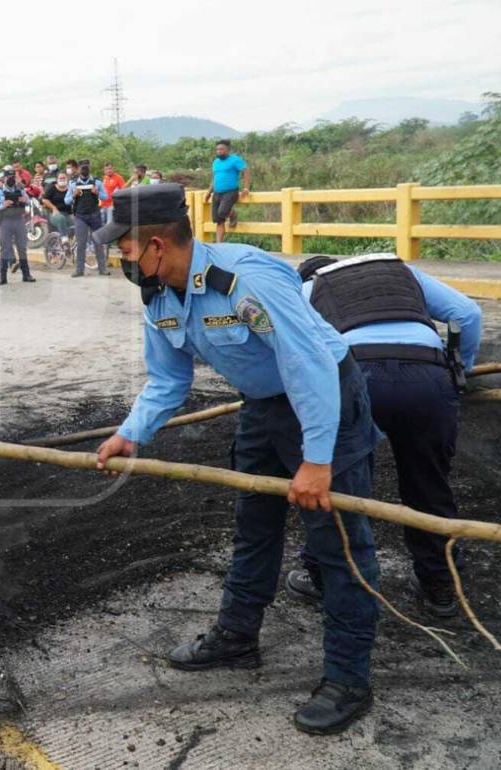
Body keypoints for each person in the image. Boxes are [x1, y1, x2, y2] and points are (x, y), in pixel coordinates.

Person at [93, 183, 381, 736]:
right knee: (254, 524)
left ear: (155, 244)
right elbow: (168, 378)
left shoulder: (246, 279)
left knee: (338, 542)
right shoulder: (158, 295)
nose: (120, 259)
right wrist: (132, 434)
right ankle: (238, 635)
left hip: (324, 401)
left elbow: (307, 364)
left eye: (124, 247)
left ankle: (348, 678)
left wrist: (317, 459)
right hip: (262, 406)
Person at [291, 254, 483, 618]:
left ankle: (323, 576)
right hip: (427, 377)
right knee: (429, 484)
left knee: (336, 483)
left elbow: (295, 344)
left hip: (357, 375)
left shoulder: (308, 287)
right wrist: (461, 371)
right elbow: (468, 314)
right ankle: (440, 586)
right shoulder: (402, 272)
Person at [0, 170, 35, 285]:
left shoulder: (20, 189)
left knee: (22, 248)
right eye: (8, 177)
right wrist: (2, 205)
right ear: (4, 178)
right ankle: (3, 277)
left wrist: (25, 200)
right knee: (5, 248)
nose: (11, 179)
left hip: (19, 220)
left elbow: (29, 201)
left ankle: (26, 275)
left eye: (13, 176)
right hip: (5, 222)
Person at [65, 159, 111, 277]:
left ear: (89, 168)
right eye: (82, 167)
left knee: (98, 242)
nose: (84, 169)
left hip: (95, 215)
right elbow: (66, 200)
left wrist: (97, 193)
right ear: (79, 169)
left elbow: (106, 197)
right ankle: (79, 270)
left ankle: (102, 269)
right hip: (80, 216)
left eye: (86, 167)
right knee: (81, 243)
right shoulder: (73, 183)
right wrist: (73, 195)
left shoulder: (97, 182)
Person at [206, 139, 249, 243]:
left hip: (230, 191)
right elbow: (215, 178)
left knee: (222, 212)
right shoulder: (216, 162)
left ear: (228, 150)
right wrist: (209, 191)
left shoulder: (235, 160)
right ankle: (219, 244)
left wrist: (246, 187)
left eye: (221, 149)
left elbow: (245, 172)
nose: (219, 151)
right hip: (217, 192)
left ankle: (232, 214)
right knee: (218, 220)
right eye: (217, 149)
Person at [40, 171, 73, 237]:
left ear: (67, 179)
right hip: (54, 213)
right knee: (61, 218)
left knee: (77, 224)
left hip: (68, 213)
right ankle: (64, 238)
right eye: (60, 178)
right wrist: (53, 208)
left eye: (64, 178)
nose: (62, 179)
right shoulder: (52, 187)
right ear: (57, 179)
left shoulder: (71, 188)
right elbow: (44, 199)